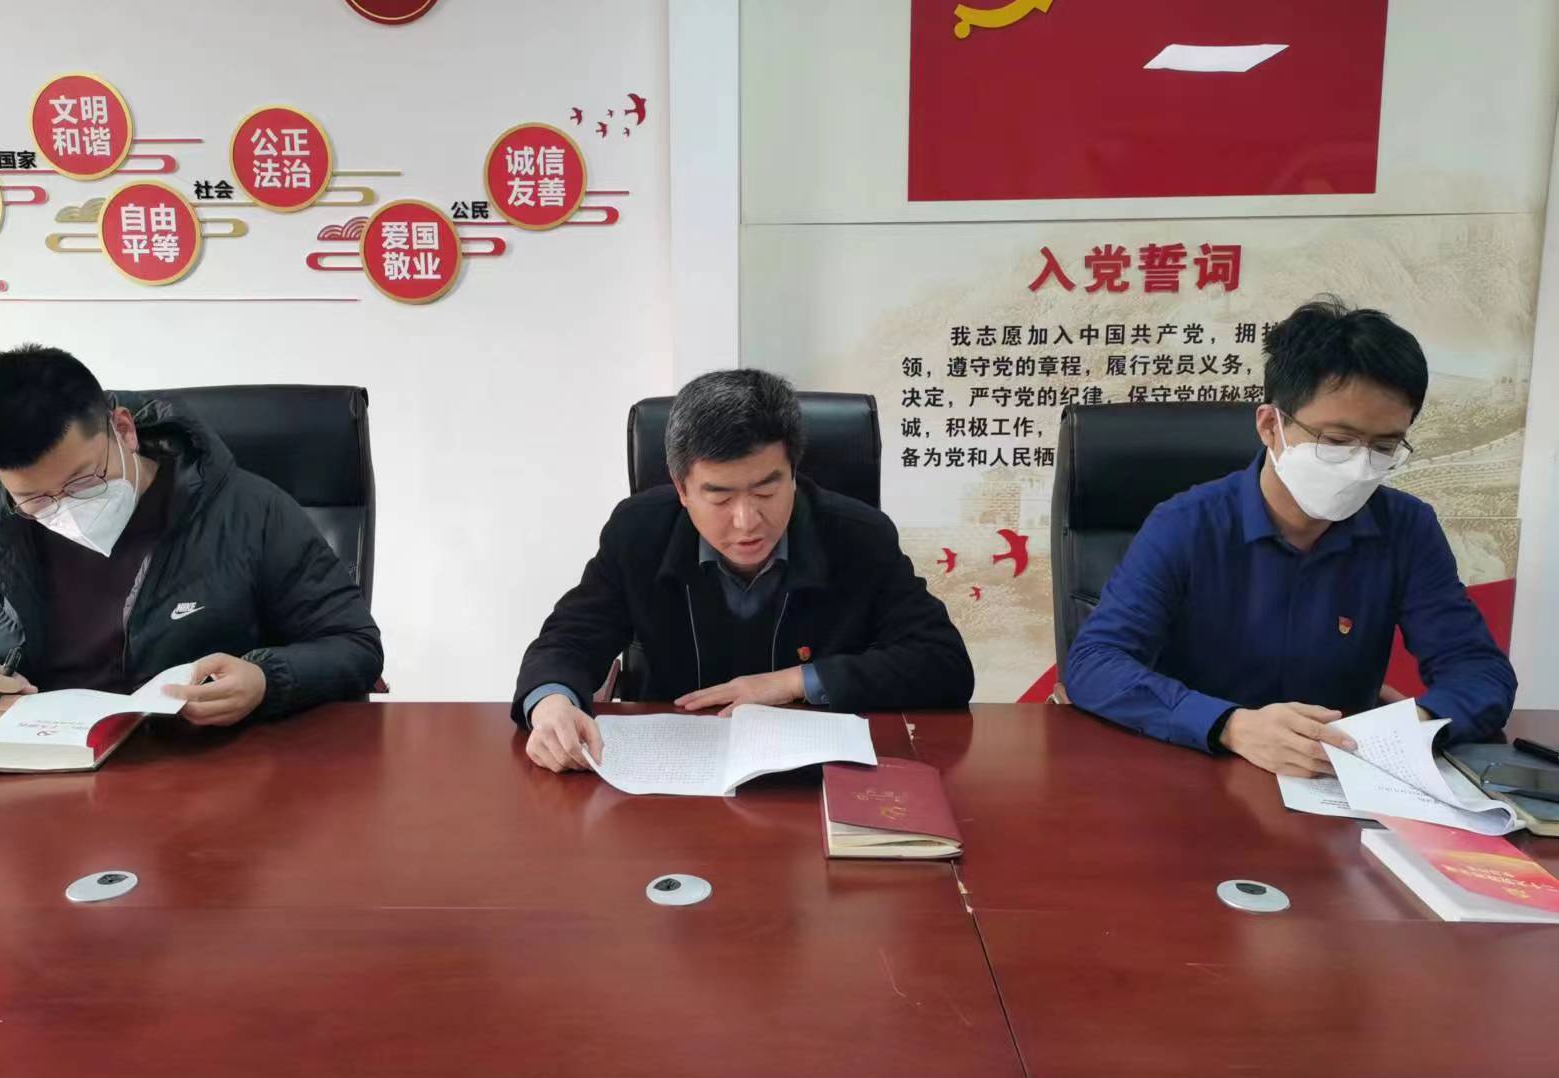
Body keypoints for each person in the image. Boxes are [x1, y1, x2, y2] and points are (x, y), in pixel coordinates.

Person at [1064, 298, 1515, 778]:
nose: (1360, 465)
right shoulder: (1186, 524)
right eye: (1337, 441)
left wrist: (1413, 724)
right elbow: (1095, 662)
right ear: (1269, 425)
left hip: (1340, 775)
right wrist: (1231, 726)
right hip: (1199, 769)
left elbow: (1479, 671)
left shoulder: (1407, 528)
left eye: (1384, 446)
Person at [0, 346, 382, 726]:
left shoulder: (247, 510)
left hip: (197, 775)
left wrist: (266, 680)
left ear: (123, 429)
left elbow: (353, 644)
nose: (66, 509)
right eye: (36, 498)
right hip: (25, 782)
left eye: (83, 481)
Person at [514, 368, 973, 773]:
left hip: (814, 777)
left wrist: (792, 682)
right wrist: (551, 703)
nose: (746, 521)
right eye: (719, 496)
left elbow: (943, 662)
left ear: (793, 472)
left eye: (766, 491)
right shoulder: (638, 531)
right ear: (682, 488)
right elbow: (569, 638)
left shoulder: (858, 536)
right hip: (674, 776)